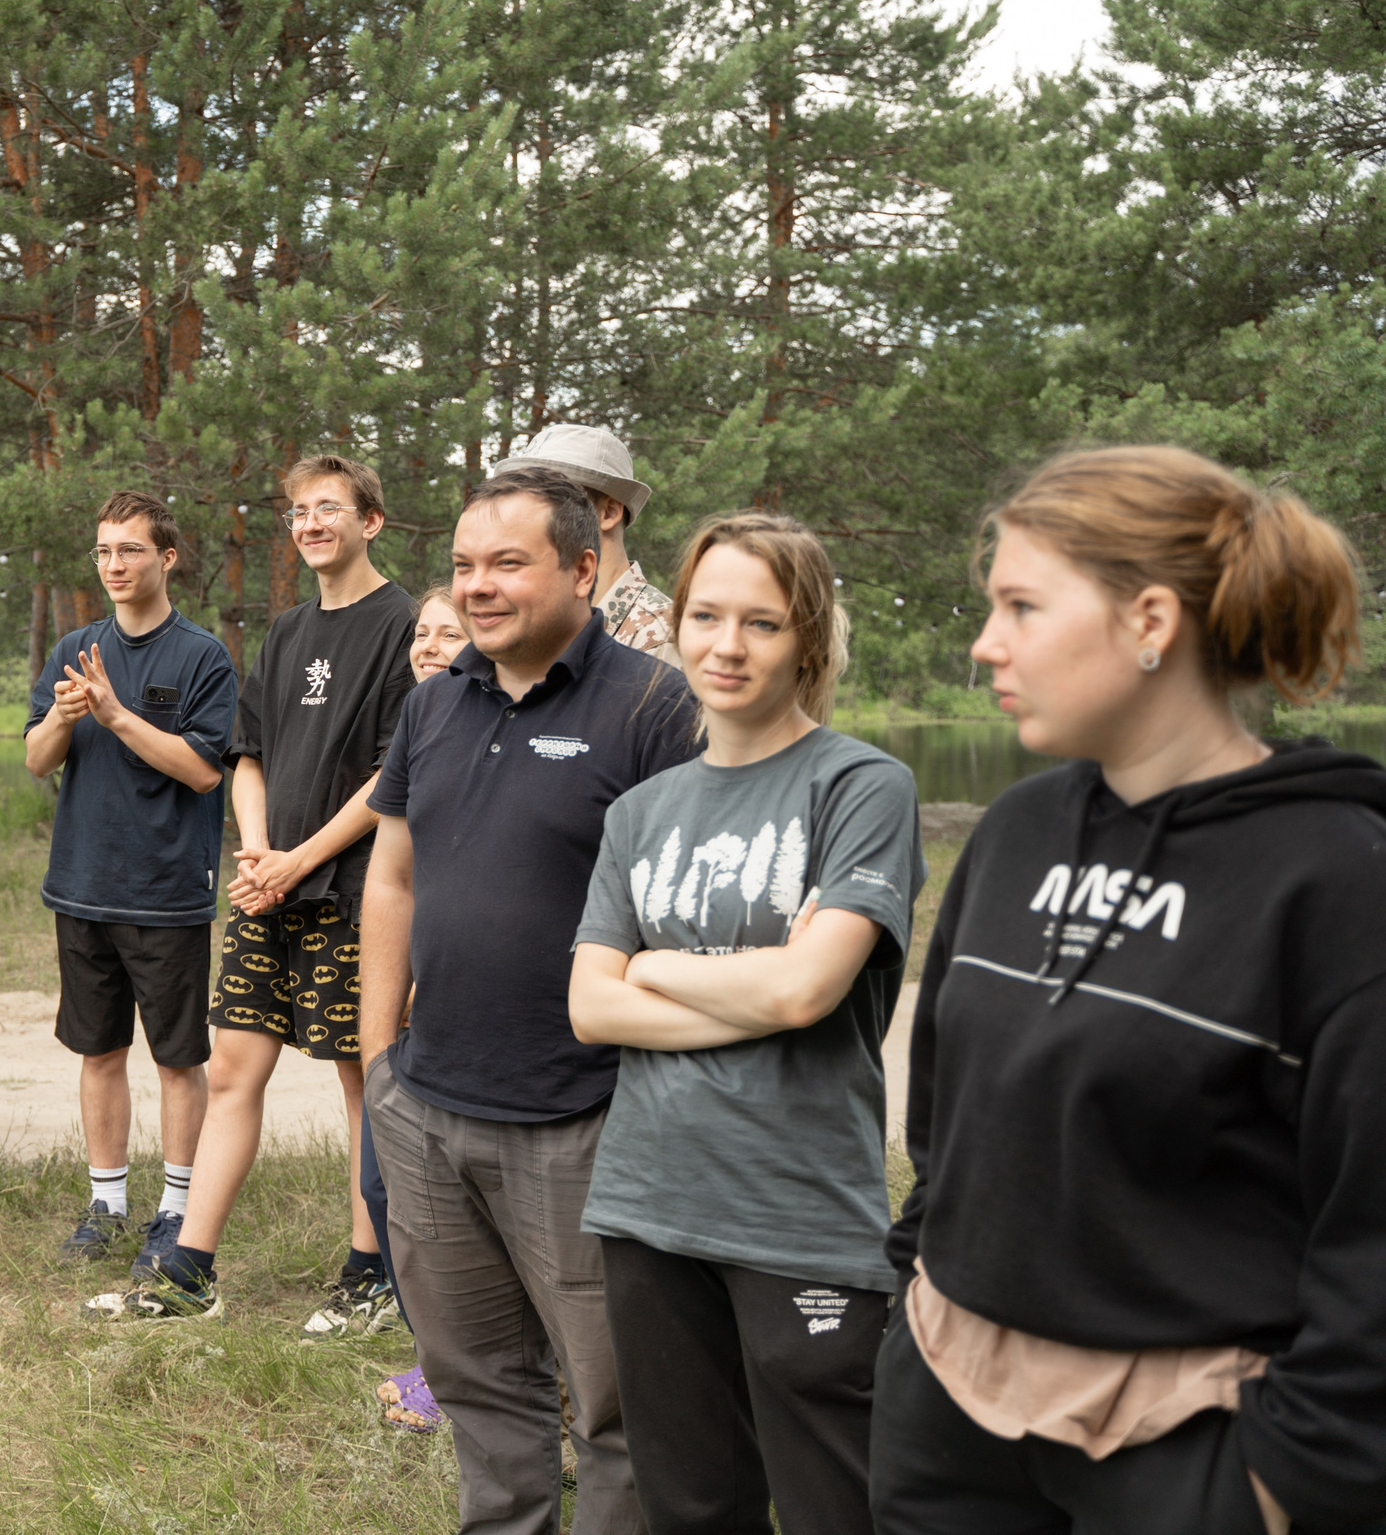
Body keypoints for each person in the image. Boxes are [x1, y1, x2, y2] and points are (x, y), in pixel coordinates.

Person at [876, 446, 1386, 1535]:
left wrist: (1286, 1480)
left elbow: (1371, 1230)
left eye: (1020, 605)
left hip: (1187, 1453)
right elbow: (946, 1118)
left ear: (1150, 620)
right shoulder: (1017, 829)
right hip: (949, 1417)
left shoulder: (1335, 876)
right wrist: (910, 1300)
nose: (984, 643)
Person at [566, 512, 922, 1535]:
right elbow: (591, 1006)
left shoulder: (860, 787)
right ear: (676, 625)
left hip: (798, 1215)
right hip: (646, 1205)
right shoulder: (641, 812)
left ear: (807, 638)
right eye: (707, 617)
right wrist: (759, 982)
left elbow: (805, 995)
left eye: (760, 623)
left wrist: (660, 965)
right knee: (691, 1506)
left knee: (833, 1506)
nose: (727, 646)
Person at [360, 468, 698, 1535]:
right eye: (463, 566)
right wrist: (379, 1063)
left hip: (586, 1119)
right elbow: (394, 878)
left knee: (616, 1407)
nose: (477, 587)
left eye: (507, 563)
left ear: (583, 569)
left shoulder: (652, 707)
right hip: (428, 1109)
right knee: (479, 1387)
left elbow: (682, 919)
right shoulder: (430, 703)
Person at [88, 454, 415, 1326]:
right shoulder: (289, 630)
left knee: (360, 1080)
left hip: (352, 889)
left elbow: (395, 775)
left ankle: (369, 1273)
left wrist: (300, 859)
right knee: (232, 1066)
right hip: (270, 885)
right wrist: (261, 851)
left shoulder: (404, 624)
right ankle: (190, 1270)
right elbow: (248, 756)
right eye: (299, 511)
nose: (310, 524)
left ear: (370, 522)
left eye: (329, 509)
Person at [26, 490, 236, 1269]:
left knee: (179, 1059)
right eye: (104, 551)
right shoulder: (77, 645)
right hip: (81, 885)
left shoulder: (201, 656)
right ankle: (106, 1203)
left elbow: (203, 770)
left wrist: (114, 714)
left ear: (167, 557)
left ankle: (175, 1210)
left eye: (132, 551)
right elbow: (36, 759)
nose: (115, 565)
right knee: (98, 1050)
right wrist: (64, 715)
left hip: (168, 893)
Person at [369, 580, 464, 1434]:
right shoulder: (418, 726)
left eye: (449, 632)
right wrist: (374, 1042)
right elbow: (391, 874)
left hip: (471, 1002)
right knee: (387, 1182)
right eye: (422, 632)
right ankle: (439, 1358)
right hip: (406, 1004)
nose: (429, 644)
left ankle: (454, 1375)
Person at [495, 423, 676, 660]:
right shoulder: (536, 626)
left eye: (551, 496)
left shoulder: (660, 637)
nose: (528, 513)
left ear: (608, 512)